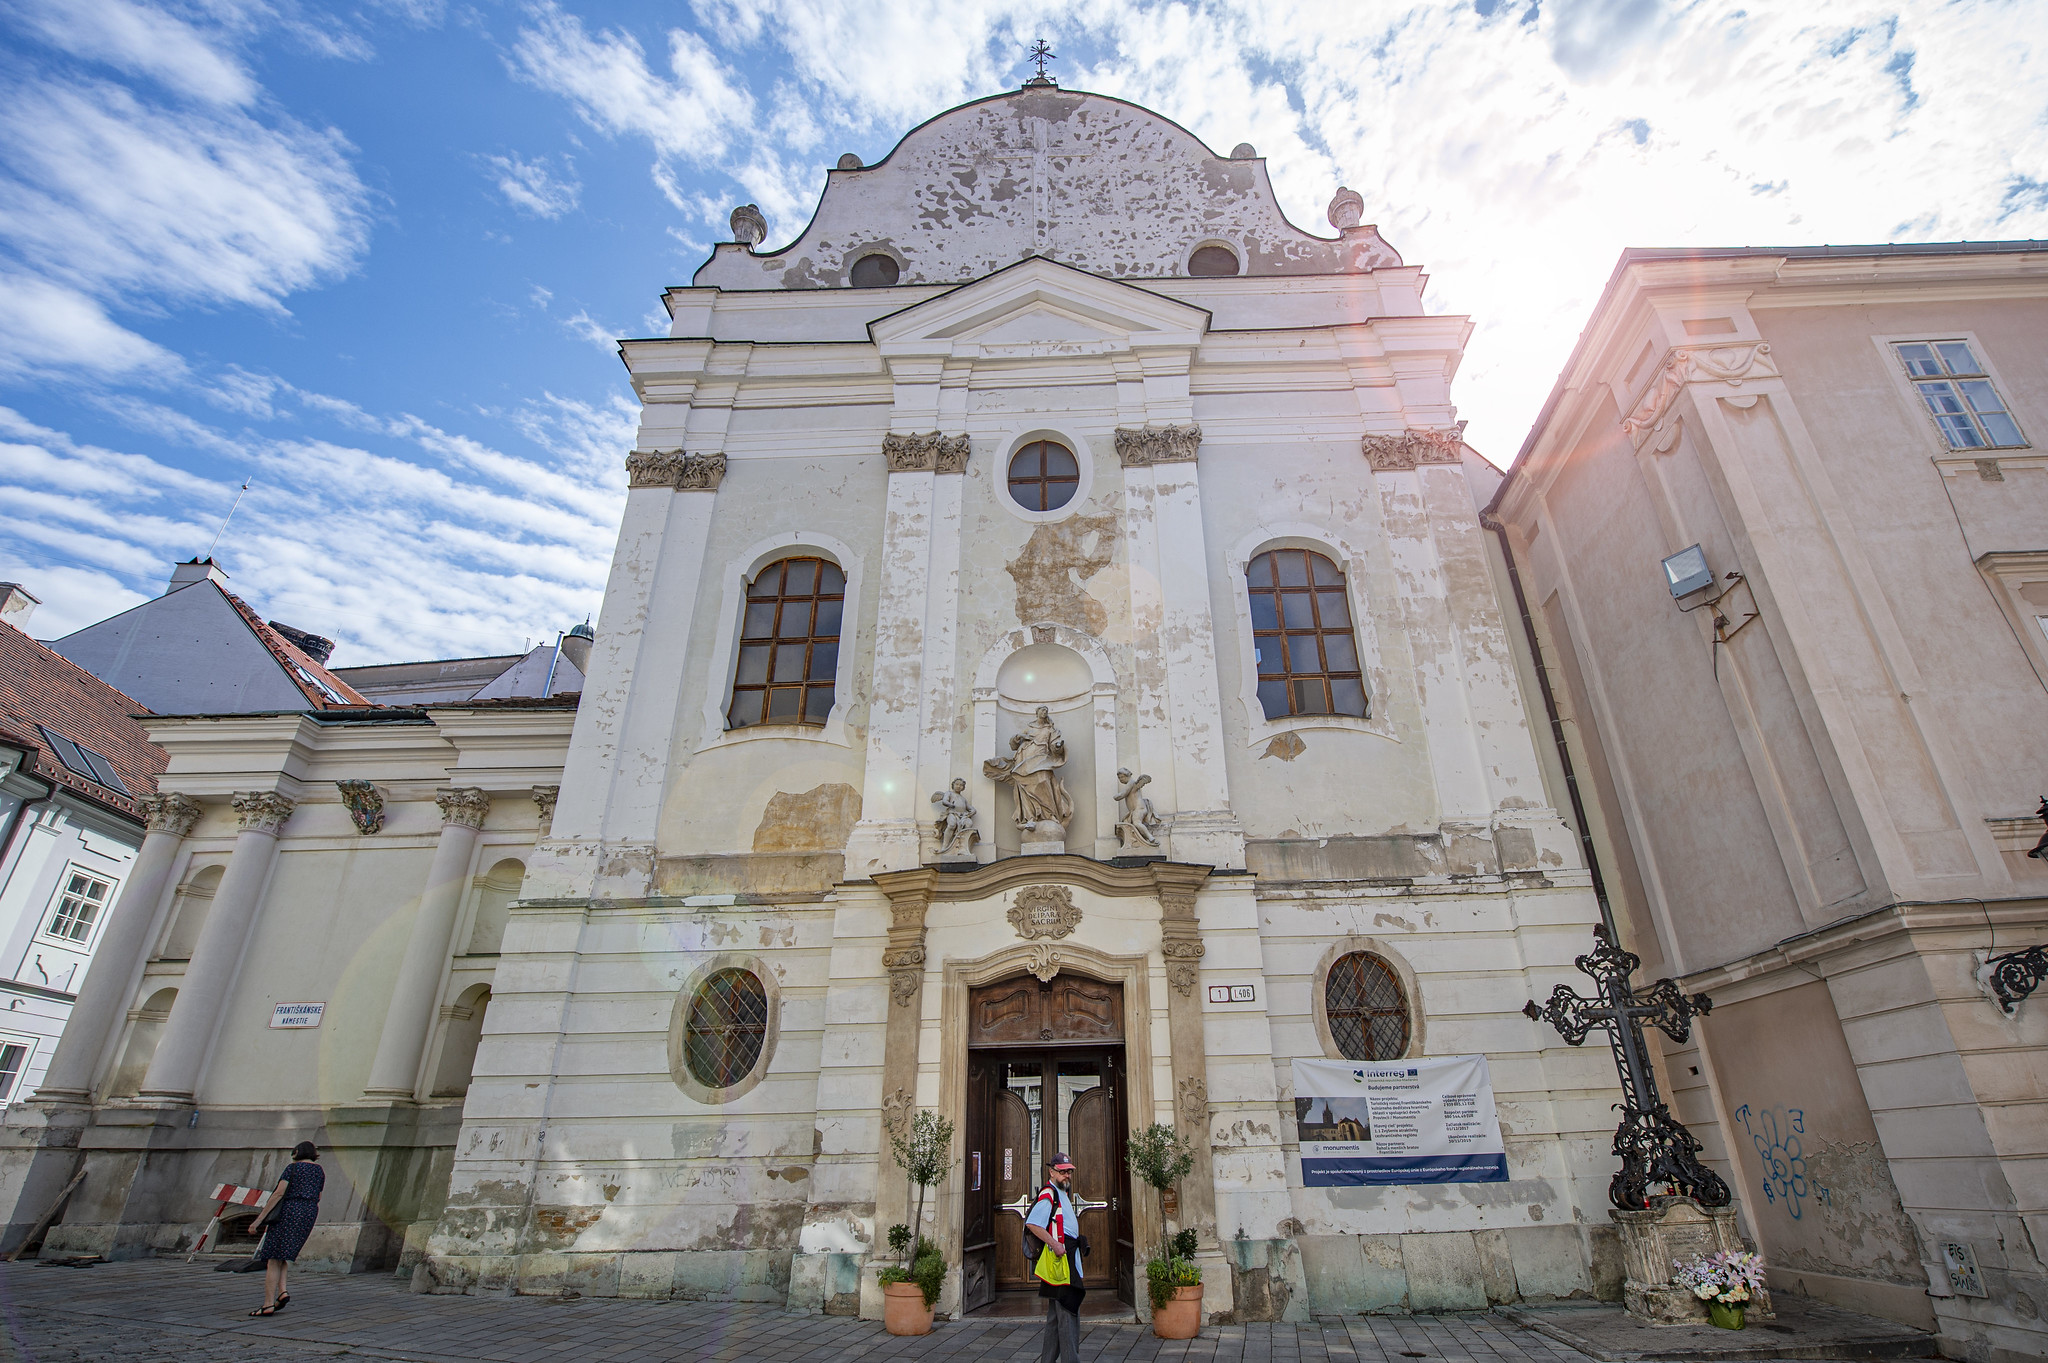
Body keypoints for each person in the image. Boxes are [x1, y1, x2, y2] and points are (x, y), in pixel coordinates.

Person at [245, 1141, 324, 1316]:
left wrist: (259, 1219)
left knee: (273, 1258)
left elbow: (279, 1193)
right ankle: (282, 1291)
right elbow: (318, 1195)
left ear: (297, 1152)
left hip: (289, 1211)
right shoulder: (319, 1171)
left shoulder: (292, 1168)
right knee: (283, 1254)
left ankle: (267, 1304)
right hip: (309, 1212)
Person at [1024, 1153, 1089, 1363]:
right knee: (1069, 1316)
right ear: (1052, 1172)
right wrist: (1055, 1245)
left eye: (1069, 1171)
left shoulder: (1061, 1193)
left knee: (1055, 1319)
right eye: (1062, 1172)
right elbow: (1033, 1224)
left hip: (1065, 1262)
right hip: (1061, 1264)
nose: (1067, 1175)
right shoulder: (1048, 1194)